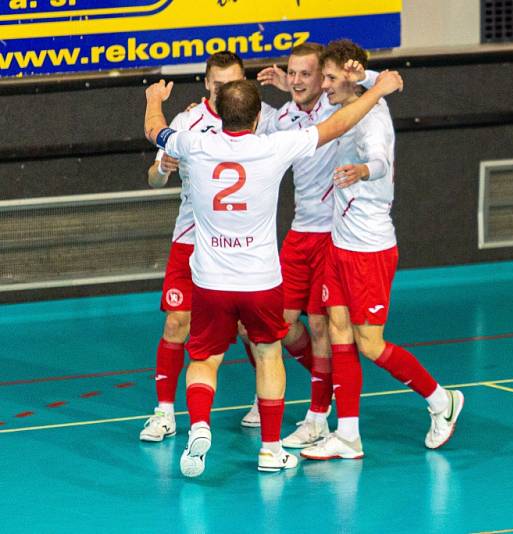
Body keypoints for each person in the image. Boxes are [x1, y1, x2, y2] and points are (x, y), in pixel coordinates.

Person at [143, 69, 404, 476]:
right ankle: (269, 450)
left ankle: (198, 426)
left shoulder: (193, 143)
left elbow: (154, 130)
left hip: (210, 281)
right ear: (254, 120)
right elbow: (338, 123)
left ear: (219, 113)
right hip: (261, 282)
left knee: (205, 358)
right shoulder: (273, 147)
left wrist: (154, 100)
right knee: (267, 355)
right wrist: (380, 90)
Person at [299, 39, 464, 461]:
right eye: (327, 76)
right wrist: (363, 77)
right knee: (339, 333)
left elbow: (383, 162)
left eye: (332, 78)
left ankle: (441, 400)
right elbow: (373, 81)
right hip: (338, 244)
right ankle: (348, 435)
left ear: (349, 79)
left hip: (369, 250)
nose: (325, 85)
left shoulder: (372, 117)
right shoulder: (352, 99)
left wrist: (362, 170)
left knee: (370, 344)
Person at [237, 44, 377, 452]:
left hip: (332, 234)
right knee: (269, 325)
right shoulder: (283, 117)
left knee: (320, 327)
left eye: (306, 74)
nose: (296, 80)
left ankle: (317, 415)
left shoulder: (337, 108)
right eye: (291, 73)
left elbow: (361, 92)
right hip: (299, 234)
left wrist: (358, 75)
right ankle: (326, 387)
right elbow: (241, 132)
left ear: (324, 78)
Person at [140, 51, 272, 442]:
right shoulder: (187, 122)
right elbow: (153, 179)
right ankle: (164, 412)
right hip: (191, 240)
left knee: (253, 331)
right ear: (206, 84)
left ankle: (261, 401)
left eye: (232, 83)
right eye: (218, 84)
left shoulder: (259, 122)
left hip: (241, 246)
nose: (225, 90)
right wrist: (161, 169)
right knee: (176, 323)